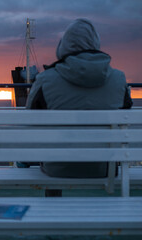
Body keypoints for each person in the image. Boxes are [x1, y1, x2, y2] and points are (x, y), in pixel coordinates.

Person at [25, 18, 133, 196]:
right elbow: (125, 121)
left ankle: (53, 207)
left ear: (64, 45)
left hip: (57, 168)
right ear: (95, 43)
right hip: (104, 167)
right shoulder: (119, 79)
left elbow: (29, 123)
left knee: (51, 149)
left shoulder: (46, 79)